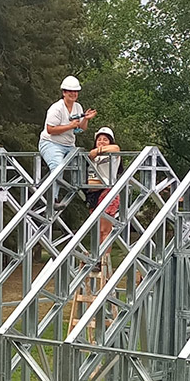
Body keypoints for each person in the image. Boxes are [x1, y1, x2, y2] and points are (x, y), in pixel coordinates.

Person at [38, 75, 97, 210]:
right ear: (64, 92)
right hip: (51, 143)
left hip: (69, 145)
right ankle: (52, 199)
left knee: (85, 164)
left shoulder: (78, 107)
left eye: (75, 92)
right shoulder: (56, 108)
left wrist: (86, 119)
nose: (73, 94)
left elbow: (81, 129)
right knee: (57, 168)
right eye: (70, 91)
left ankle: (88, 195)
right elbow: (50, 129)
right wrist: (70, 126)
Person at [87, 127, 121, 257]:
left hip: (108, 192)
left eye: (105, 139)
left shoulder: (112, 154)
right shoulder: (92, 157)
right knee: (97, 230)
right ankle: (97, 256)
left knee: (104, 230)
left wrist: (98, 150)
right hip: (93, 193)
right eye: (99, 139)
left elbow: (116, 148)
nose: (101, 141)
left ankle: (103, 259)